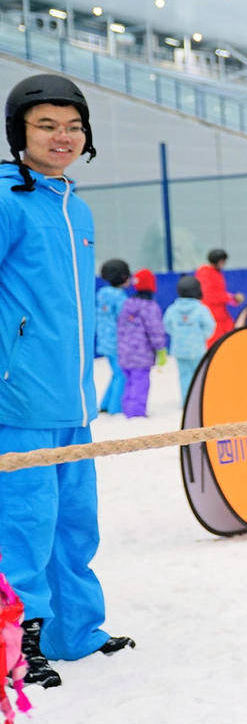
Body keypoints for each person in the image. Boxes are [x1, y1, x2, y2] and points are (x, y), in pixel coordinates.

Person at [1, 73, 134, 690]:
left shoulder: (73, 205)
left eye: (73, 126)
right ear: (19, 133)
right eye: (46, 125)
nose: (62, 137)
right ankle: (15, 647)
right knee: (22, 527)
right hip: (19, 398)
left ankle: (73, 630)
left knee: (74, 523)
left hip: (73, 399)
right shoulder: (7, 199)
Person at [115, 270, 167, 418]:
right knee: (140, 384)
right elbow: (155, 330)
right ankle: (136, 413)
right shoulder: (150, 307)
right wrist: (160, 348)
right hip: (141, 354)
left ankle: (127, 408)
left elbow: (120, 328)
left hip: (125, 352)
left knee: (129, 382)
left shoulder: (127, 304)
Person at [163, 276, 215, 399]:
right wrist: (202, 337)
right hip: (197, 349)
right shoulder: (201, 309)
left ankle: (186, 402)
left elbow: (166, 325)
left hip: (179, 349)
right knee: (199, 376)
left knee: (184, 376)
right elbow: (209, 326)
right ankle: (198, 401)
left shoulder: (172, 309)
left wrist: (177, 335)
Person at [95, 259, 130, 414]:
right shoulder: (120, 298)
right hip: (118, 342)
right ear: (123, 277)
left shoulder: (102, 294)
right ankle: (116, 408)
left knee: (116, 373)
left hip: (105, 341)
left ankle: (105, 403)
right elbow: (125, 319)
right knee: (121, 374)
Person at [195, 249, 242, 347]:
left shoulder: (212, 273)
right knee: (217, 341)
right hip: (214, 314)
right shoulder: (208, 274)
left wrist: (231, 298)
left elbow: (218, 293)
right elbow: (211, 295)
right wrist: (232, 298)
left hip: (219, 313)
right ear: (220, 261)